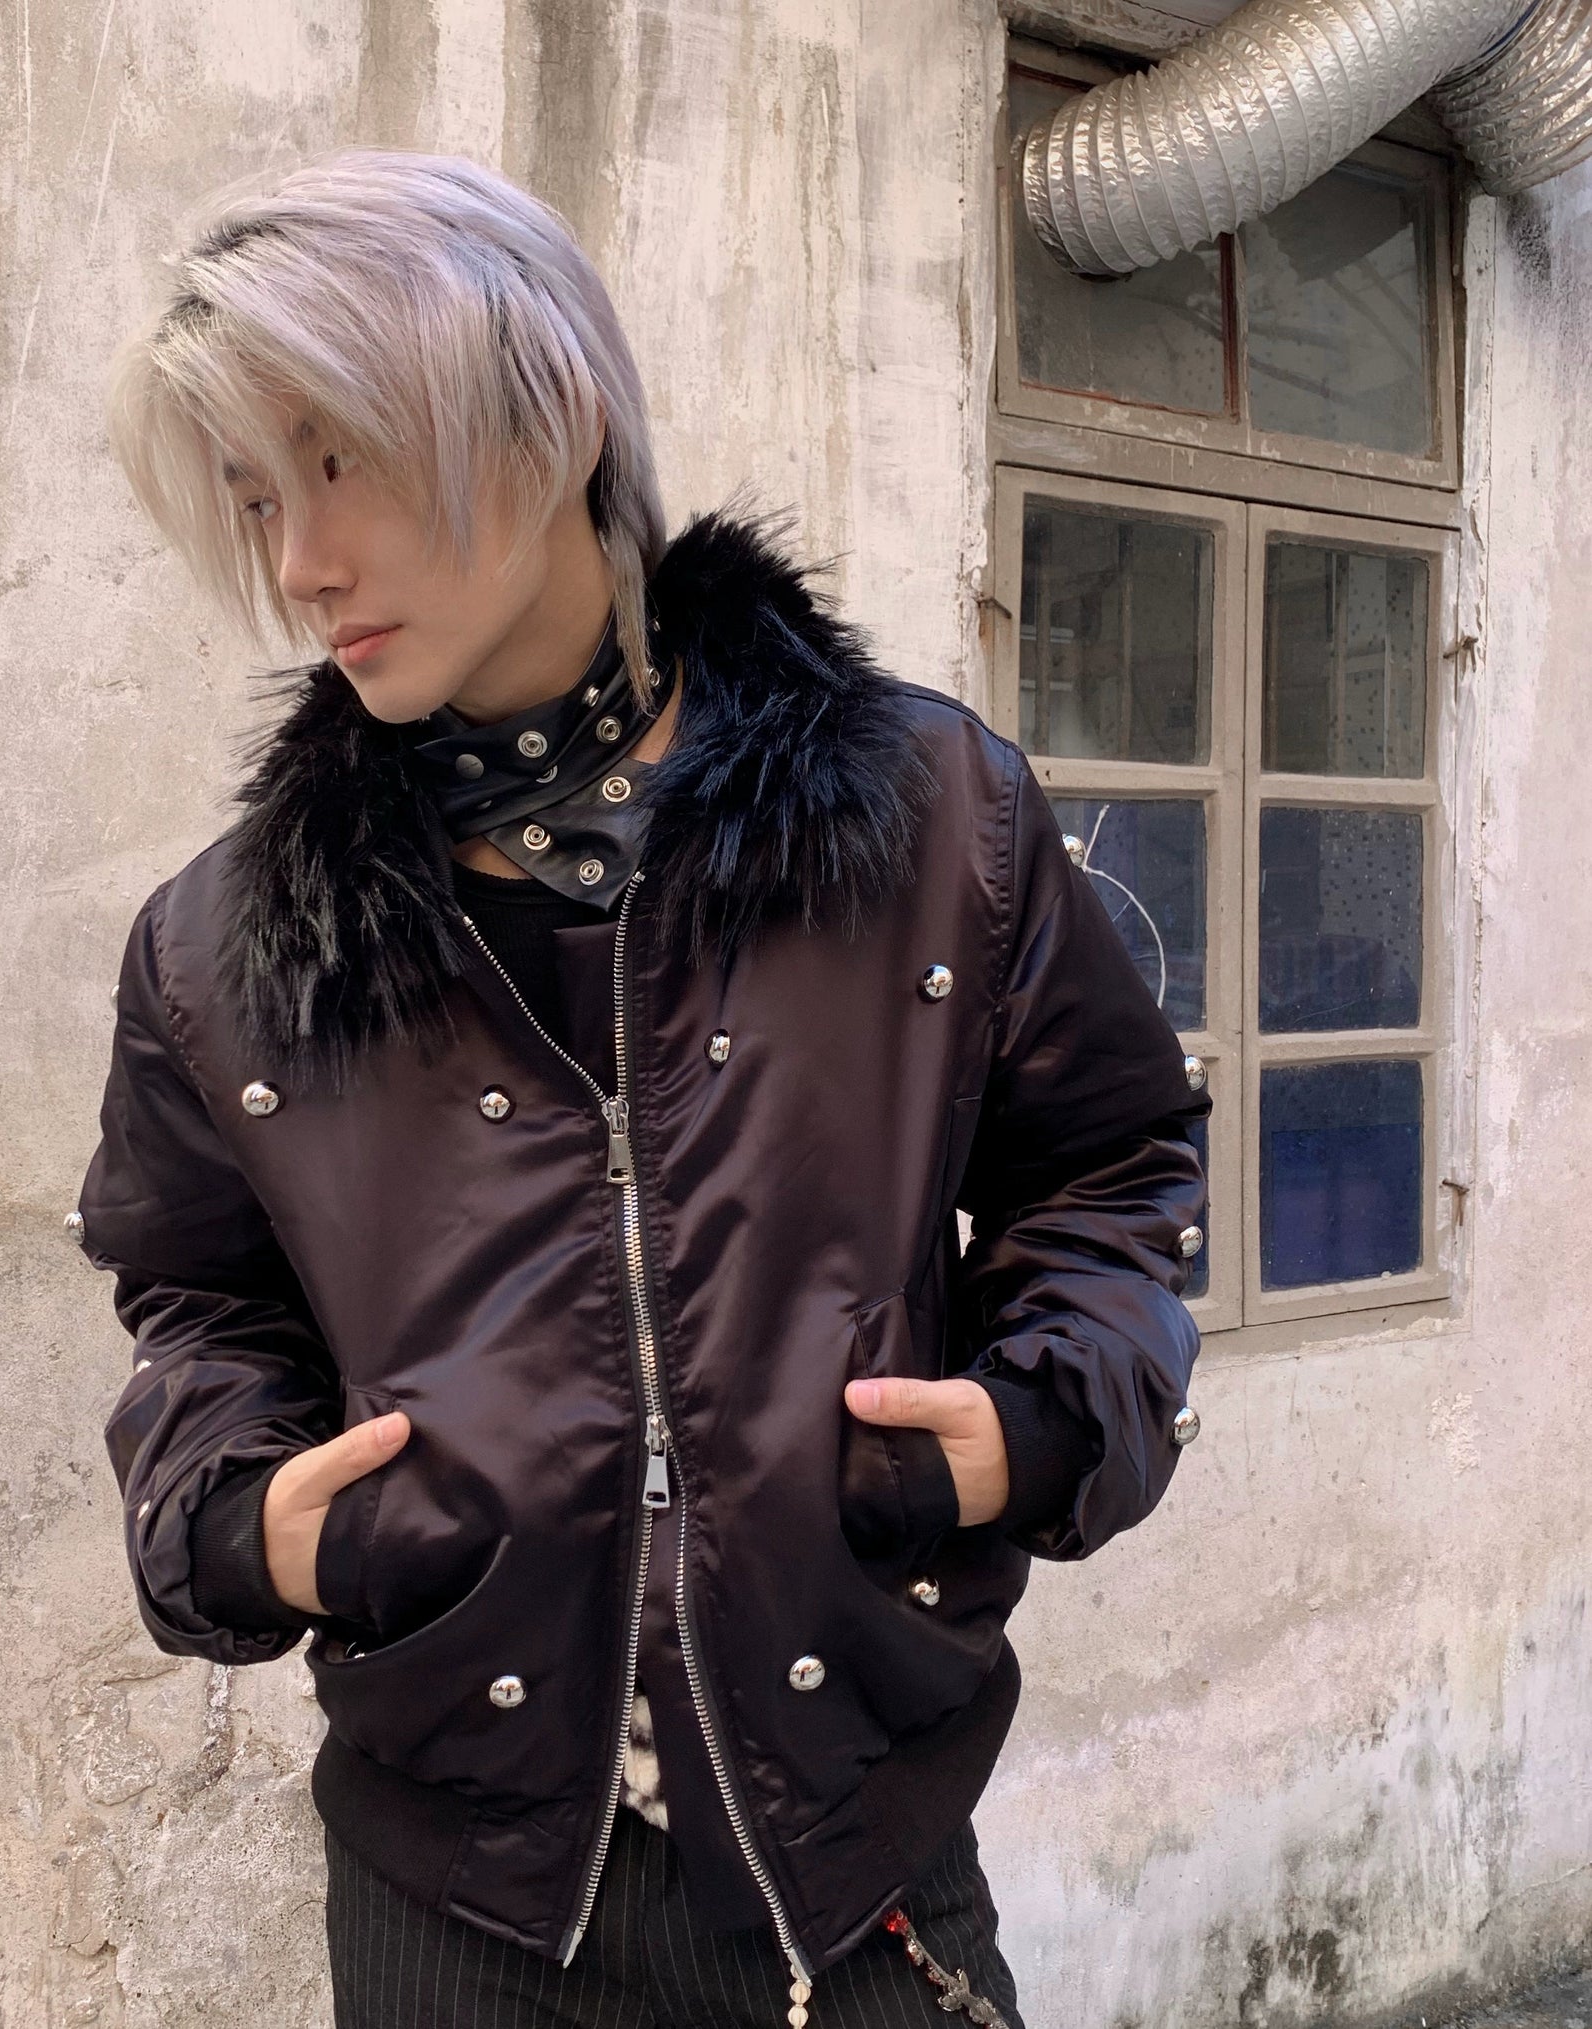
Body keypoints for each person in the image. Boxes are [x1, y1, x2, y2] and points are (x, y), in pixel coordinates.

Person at [77, 148, 1211, 2029]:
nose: (300, 563)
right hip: (456, 1899)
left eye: (341, 463)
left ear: (553, 415)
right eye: (260, 495)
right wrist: (238, 1512)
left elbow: (1109, 1162)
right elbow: (195, 1295)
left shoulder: (935, 825)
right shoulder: (221, 951)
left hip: (856, 1851)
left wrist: (1037, 1421)